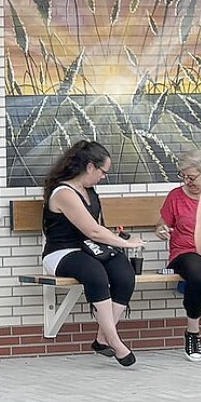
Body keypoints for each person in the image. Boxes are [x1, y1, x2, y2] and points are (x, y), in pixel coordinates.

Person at [39, 140, 145, 366]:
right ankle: (115, 341)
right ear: (90, 167)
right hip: (61, 252)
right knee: (95, 273)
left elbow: (97, 230)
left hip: (88, 248)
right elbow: (92, 230)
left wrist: (116, 242)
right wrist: (127, 244)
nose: (104, 177)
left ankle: (102, 338)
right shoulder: (64, 193)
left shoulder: (90, 191)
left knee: (123, 272)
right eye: (103, 171)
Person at [157, 148, 201, 362]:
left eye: (191, 177)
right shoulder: (176, 197)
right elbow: (162, 224)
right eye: (184, 177)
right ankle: (193, 332)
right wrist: (161, 230)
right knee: (199, 276)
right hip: (185, 252)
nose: (187, 181)